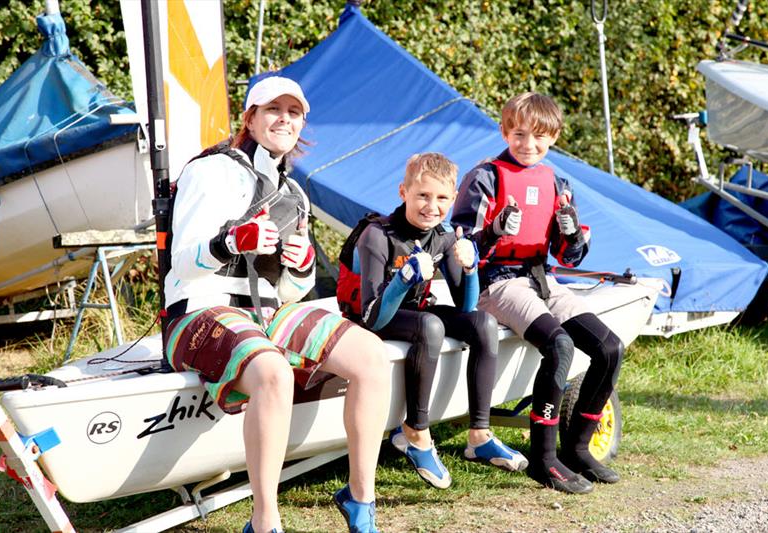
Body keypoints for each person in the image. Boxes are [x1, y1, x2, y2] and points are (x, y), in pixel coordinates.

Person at [163, 76, 390, 533]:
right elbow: (182, 265)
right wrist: (230, 241)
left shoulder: (294, 194)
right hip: (197, 310)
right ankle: (264, 522)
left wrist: (302, 262)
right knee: (272, 370)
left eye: (293, 112)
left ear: (302, 123)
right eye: (272, 110)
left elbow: (291, 291)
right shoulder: (209, 171)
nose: (283, 119)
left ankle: (360, 498)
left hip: (266, 312)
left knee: (371, 355)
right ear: (250, 118)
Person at [451, 92, 624, 494]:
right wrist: (494, 231)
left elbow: (570, 254)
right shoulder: (485, 178)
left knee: (609, 348)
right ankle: (543, 459)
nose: (528, 144)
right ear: (504, 131)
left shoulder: (557, 182)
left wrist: (569, 231)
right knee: (561, 347)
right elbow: (463, 249)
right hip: (496, 283)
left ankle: (577, 447)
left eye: (539, 136)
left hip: (543, 279)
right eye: (519, 134)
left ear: (555, 137)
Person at [349, 153, 526, 490]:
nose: (432, 206)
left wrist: (471, 267)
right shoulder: (376, 234)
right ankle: (415, 432)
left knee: (484, 323)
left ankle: (479, 435)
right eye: (423, 196)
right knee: (430, 324)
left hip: (414, 314)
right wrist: (402, 281)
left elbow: (467, 306)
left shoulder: (443, 237)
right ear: (403, 192)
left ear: (453, 198)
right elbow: (372, 318)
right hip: (373, 317)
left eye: (442, 198)